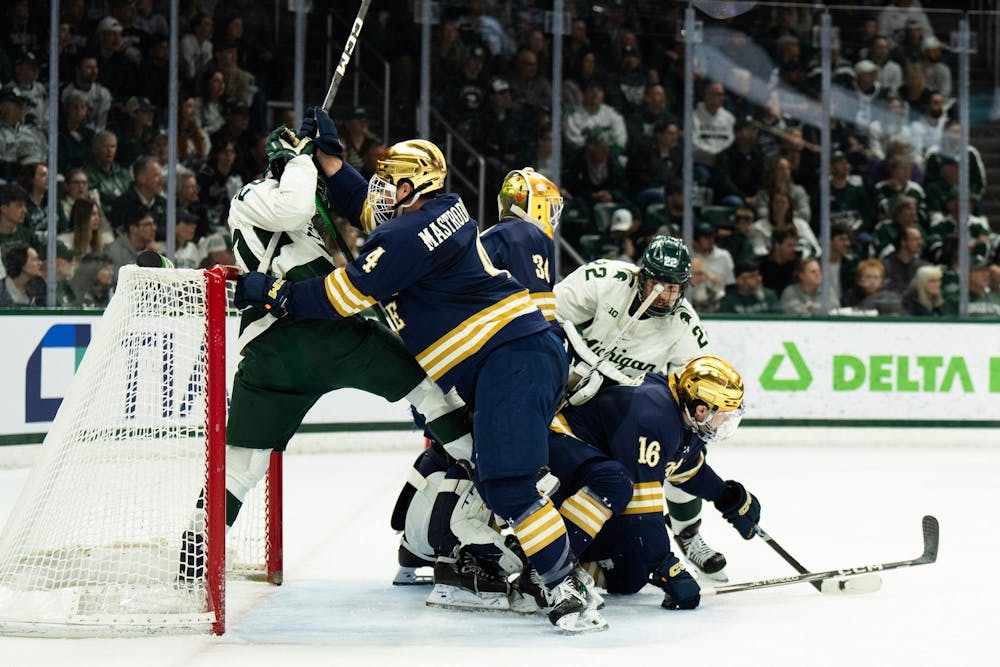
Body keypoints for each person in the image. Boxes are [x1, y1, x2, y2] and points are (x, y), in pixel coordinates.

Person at [234, 110, 605, 633]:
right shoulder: (437, 212)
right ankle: (545, 569)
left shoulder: (407, 235)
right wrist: (335, 166)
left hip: (511, 359)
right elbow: (374, 215)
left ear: (414, 187)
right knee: (501, 477)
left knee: (510, 484)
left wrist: (276, 293)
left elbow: (344, 295)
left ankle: (564, 584)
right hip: (515, 356)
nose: (382, 190)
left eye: (390, 182)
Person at [553, 236, 732, 583]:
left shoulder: (683, 326)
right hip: (560, 387)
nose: (666, 296)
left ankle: (688, 533)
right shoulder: (603, 279)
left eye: (675, 287)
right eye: (658, 285)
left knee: (682, 446)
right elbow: (546, 314)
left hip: (616, 414)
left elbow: (696, 391)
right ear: (641, 276)